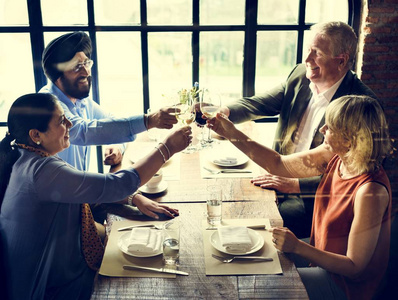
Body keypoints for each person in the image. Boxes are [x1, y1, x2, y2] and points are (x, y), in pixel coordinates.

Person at [0, 93, 192, 299]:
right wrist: (167, 148)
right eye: (61, 121)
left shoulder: (25, 156)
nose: (70, 124)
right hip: (48, 288)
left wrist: (132, 197)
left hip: (58, 266)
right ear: (36, 135)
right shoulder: (41, 171)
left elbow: (82, 187)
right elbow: (118, 184)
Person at [209, 95, 391, 300]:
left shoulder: (370, 192)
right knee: (255, 257)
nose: (323, 130)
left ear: (348, 140)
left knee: (262, 286)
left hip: (346, 286)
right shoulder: (337, 155)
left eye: (329, 127)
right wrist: (230, 132)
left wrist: (297, 247)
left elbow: (354, 267)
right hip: (321, 256)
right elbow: (277, 164)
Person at [219, 22, 379, 238]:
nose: (307, 60)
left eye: (317, 53)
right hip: (275, 172)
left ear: (340, 61)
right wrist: (225, 112)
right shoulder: (300, 75)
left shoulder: (359, 105)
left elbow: (357, 174)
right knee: (225, 199)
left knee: (252, 221)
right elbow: (261, 103)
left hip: (314, 199)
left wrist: (294, 185)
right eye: (308, 50)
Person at [39, 31, 179, 221]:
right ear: (57, 75)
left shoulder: (80, 101)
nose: (86, 72)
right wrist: (150, 121)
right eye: (76, 67)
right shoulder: (49, 106)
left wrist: (117, 146)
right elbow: (83, 131)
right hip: (58, 214)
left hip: (79, 197)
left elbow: (109, 122)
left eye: (86, 63)